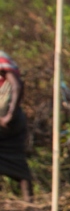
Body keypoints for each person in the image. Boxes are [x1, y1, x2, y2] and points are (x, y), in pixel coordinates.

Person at [0, 50, 34, 201]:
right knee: (17, 160)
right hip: (10, 120)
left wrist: (9, 115)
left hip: (7, 120)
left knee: (16, 161)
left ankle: (29, 205)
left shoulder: (1, 59)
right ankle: (29, 202)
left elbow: (17, 85)